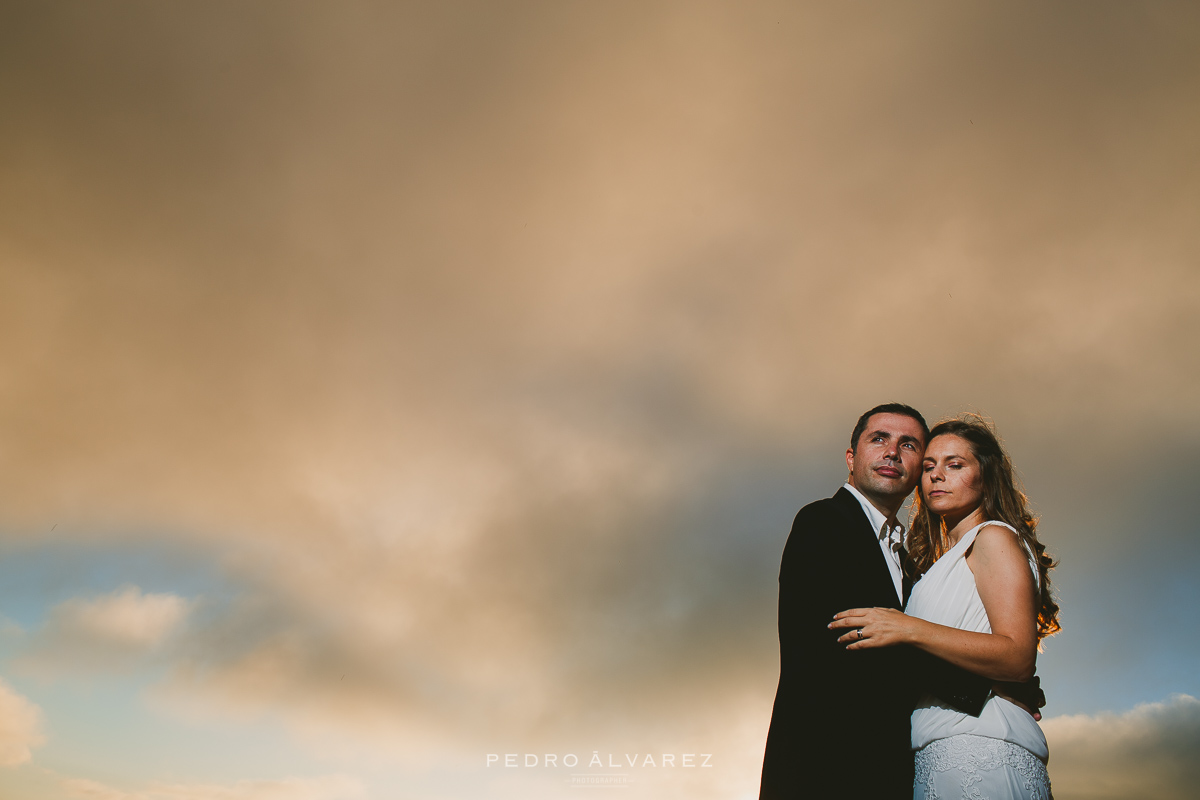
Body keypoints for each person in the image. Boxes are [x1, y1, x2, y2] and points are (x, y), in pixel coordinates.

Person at [759, 404, 1000, 800]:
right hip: (824, 769)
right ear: (851, 458)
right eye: (879, 439)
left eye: (908, 445)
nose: (892, 452)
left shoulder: (911, 562)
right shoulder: (823, 522)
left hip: (891, 773)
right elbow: (851, 642)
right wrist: (990, 685)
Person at [829, 416, 1060, 799]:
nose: (937, 476)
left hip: (982, 750)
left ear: (985, 476)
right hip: (937, 753)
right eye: (930, 466)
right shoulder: (942, 560)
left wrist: (907, 628)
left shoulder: (993, 538)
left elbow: (1018, 657)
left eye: (955, 465)